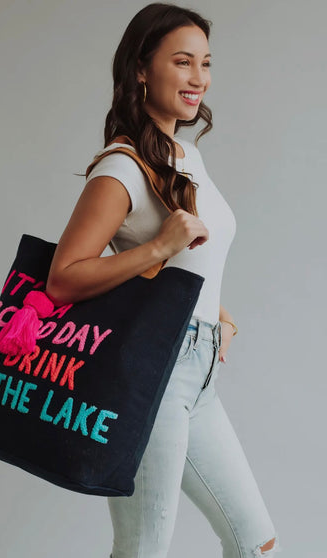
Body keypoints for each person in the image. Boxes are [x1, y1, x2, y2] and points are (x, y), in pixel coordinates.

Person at [46, 3, 282, 557]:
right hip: (152, 376)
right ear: (141, 69)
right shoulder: (122, 166)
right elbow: (62, 279)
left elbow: (194, 264)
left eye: (205, 63)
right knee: (144, 549)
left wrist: (218, 318)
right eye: (182, 61)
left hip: (196, 377)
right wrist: (157, 247)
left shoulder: (185, 154)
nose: (198, 78)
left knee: (255, 542)